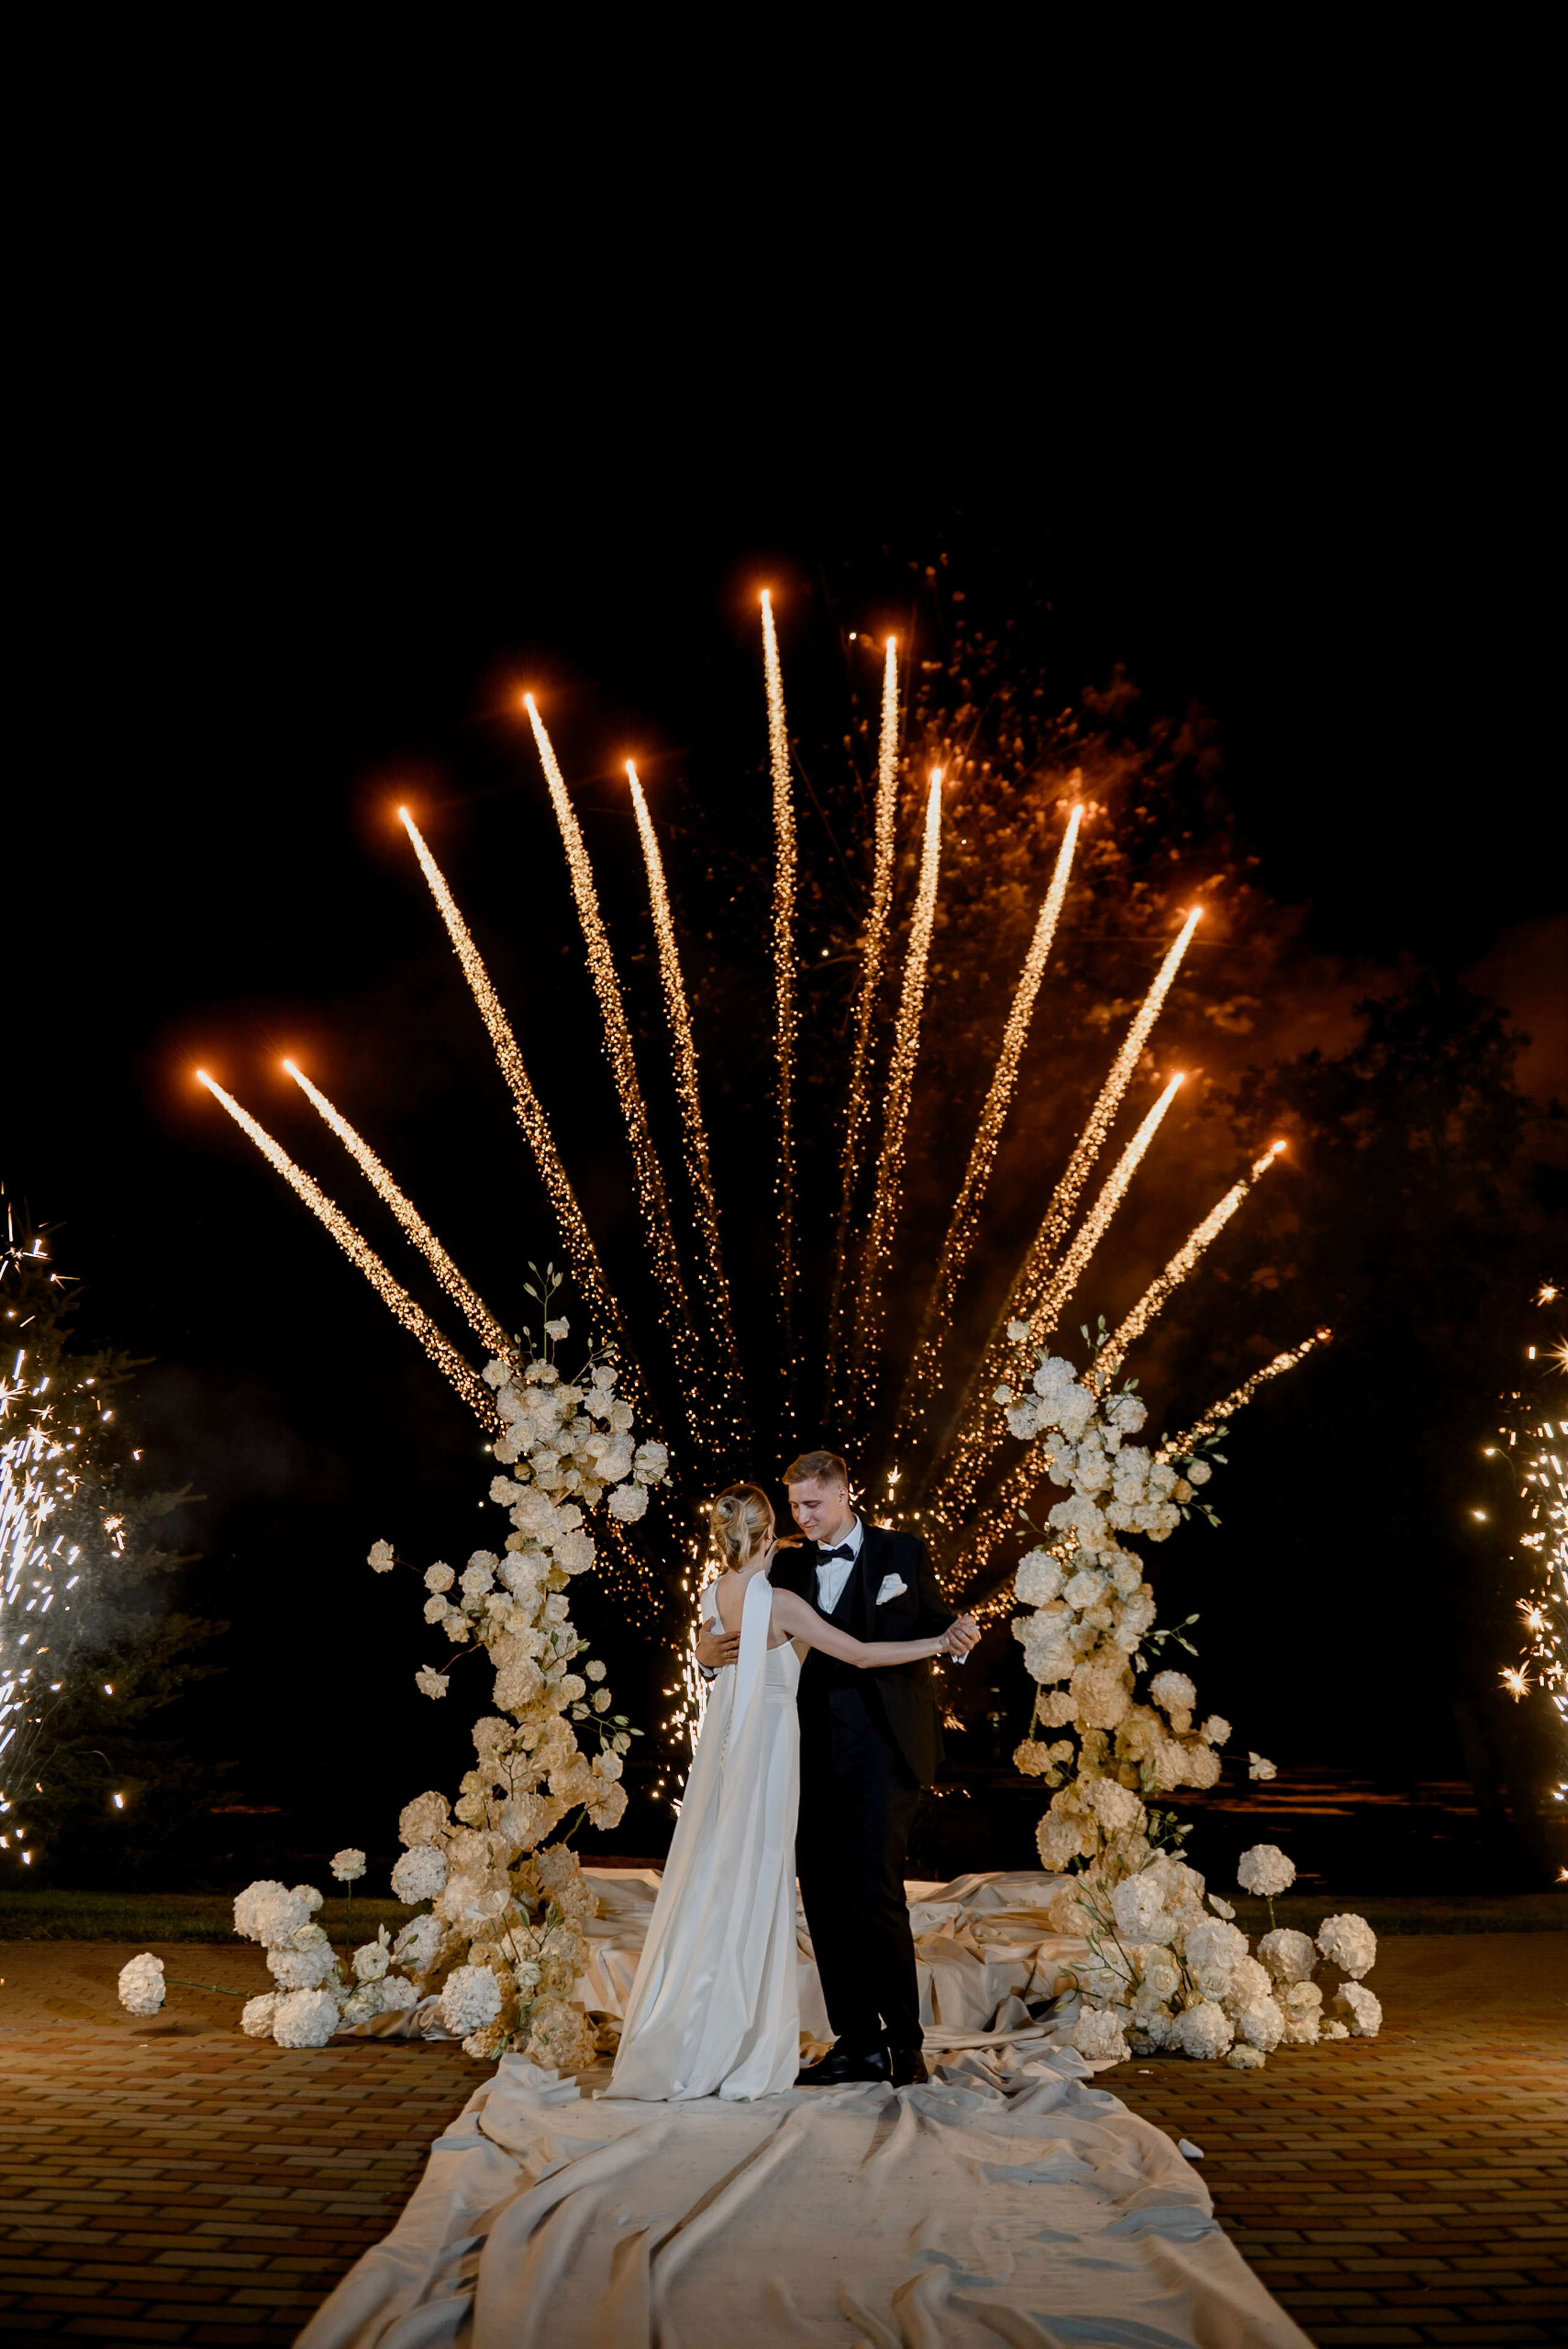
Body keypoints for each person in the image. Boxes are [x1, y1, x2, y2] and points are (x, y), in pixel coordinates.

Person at [609, 1483, 974, 2102]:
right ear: (773, 1521)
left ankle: (900, 2044)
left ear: (842, 1493)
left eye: (813, 1506)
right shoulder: (784, 1575)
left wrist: (952, 1637)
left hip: (855, 1753)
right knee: (815, 1896)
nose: (804, 1521)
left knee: (865, 1893)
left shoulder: (897, 1553)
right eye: (792, 1511)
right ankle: (851, 2041)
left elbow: (924, 1618)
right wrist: (701, 1655)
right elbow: (847, 1653)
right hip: (792, 1752)